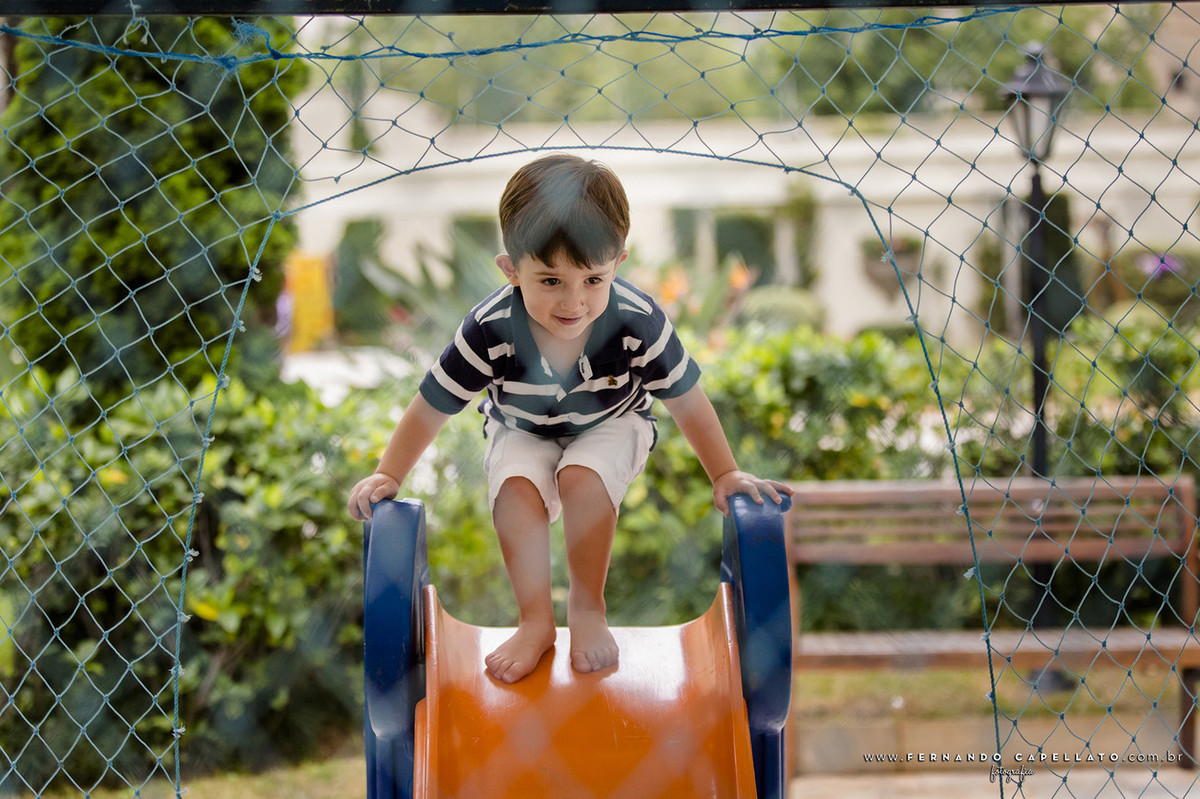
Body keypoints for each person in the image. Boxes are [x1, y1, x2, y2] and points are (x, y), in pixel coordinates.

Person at [348, 153, 792, 684]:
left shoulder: (637, 320)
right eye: (551, 281)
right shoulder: (489, 329)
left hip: (613, 420)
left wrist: (724, 474)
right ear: (512, 270)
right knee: (515, 487)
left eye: (592, 279)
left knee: (582, 478)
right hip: (520, 426)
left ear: (618, 263)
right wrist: (389, 474)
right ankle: (535, 621)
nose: (574, 301)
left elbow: (687, 399)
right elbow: (432, 406)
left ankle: (588, 610)